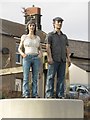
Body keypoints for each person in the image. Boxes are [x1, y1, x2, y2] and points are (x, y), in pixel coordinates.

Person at [45, 17, 71, 98]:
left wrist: (68, 59)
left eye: (61, 22)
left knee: (61, 78)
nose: (59, 23)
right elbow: (47, 47)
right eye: (58, 22)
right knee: (50, 77)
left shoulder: (64, 36)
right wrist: (49, 57)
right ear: (54, 23)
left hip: (62, 59)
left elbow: (67, 48)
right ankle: (49, 94)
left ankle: (60, 94)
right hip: (53, 59)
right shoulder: (50, 35)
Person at [18, 19, 42, 98]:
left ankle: (35, 93)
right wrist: (22, 54)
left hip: (35, 57)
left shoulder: (37, 38)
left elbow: (40, 49)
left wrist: (40, 55)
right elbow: (19, 48)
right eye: (30, 25)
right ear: (28, 27)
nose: (32, 27)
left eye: (33, 26)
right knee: (26, 77)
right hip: (27, 57)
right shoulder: (24, 37)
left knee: (35, 77)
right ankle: (25, 94)